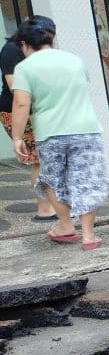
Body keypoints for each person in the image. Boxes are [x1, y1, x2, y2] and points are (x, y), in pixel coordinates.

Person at [8, 16, 107, 250]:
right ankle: (89, 235)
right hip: (86, 130)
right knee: (87, 180)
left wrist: (17, 137)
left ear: (24, 44)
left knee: (53, 181)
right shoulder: (74, 61)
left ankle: (65, 226)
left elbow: (21, 104)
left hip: (50, 133)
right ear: (50, 38)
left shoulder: (24, 68)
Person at [1, 31, 55, 221]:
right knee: (39, 159)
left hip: (35, 111)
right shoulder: (10, 51)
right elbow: (14, 87)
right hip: (17, 111)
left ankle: (52, 205)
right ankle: (45, 208)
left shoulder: (34, 52)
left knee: (44, 158)